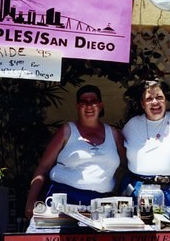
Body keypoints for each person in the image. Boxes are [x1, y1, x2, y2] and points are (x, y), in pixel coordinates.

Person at [25, 85, 126, 219]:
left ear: (101, 105)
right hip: (64, 199)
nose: (89, 106)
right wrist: (30, 203)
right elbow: (43, 167)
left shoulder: (114, 134)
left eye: (93, 101)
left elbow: (128, 166)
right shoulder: (67, 131)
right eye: (84, 102)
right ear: (77, 106)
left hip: (102, 204)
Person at [121, 80, 170, 206]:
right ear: (142, 104)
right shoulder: (131, 125)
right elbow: (121, 156)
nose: (155, 102)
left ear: (165, 101)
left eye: (159, 97)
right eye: (149, 99)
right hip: (138, 189)